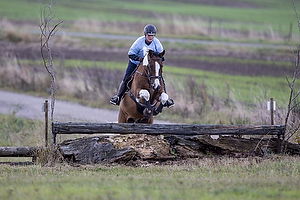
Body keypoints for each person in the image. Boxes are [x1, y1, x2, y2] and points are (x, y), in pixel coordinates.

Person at [110, 24, 174, 107]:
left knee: (159, 78)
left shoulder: (156, 43)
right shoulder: (139, 42)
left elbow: (160, 55)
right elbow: (130, 54)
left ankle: (165, 100)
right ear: (145, 35)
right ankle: (118, 97)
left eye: (152, 35)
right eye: (149, 35)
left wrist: (160, 59)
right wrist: (139, 59)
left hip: (150, 65)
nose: (151, 37)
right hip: (136, 63)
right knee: (127, 77)